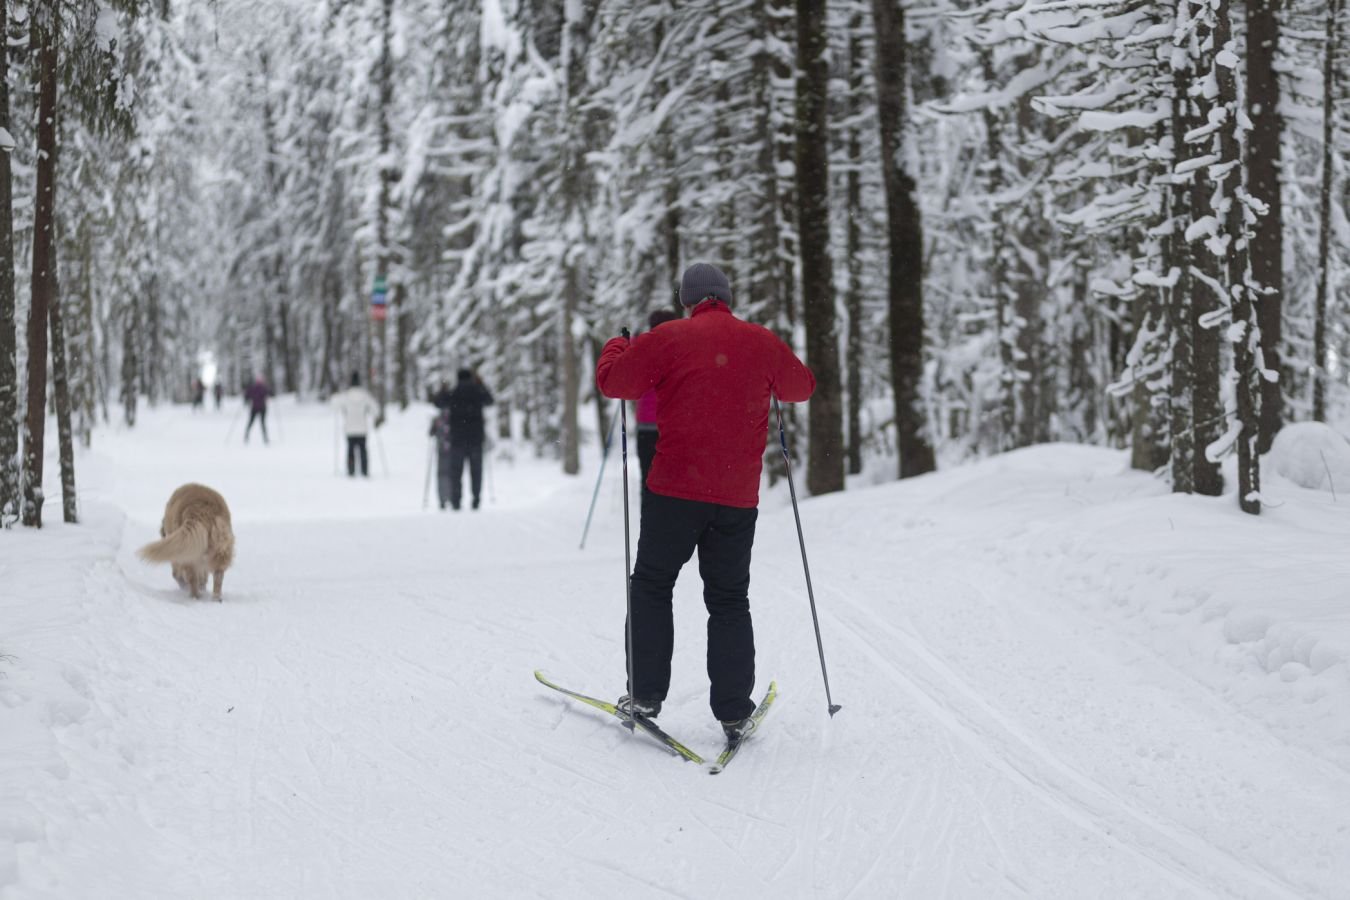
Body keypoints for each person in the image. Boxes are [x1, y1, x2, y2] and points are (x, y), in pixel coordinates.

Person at [595, 262, 815, 739]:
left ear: (685, 300)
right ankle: (734, 709)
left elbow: (615, 383)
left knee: (653, 584)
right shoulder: (759, 340)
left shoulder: (668, 338)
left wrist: (619, 343)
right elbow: (801, 387)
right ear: (727, 298)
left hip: (674, 490)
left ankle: (646, 695)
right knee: (729, 597)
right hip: (737, 496)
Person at [635, 308, 682, 494]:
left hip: (647, 426)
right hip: (673, 426)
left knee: (648, 477)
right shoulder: (681, 347)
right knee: (676, 479)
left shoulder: (642, 346)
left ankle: (648, 515)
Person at [435, 368, 494, 510]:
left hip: (457, 439)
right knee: (476, 472)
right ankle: (476, 499)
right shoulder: (477, 391)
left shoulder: (454, 392)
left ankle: (456, 501)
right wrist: (481, 385)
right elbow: (490, 400)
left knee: (456, 472)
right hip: (475, 439)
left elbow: (439, 403)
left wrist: (443, 388)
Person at [333, 371, 378, 477]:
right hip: (362, 428)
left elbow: (334, 407)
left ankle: (351, 470)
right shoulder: (365, 395)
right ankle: (364, 470)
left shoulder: (346, 395)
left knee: (350, 450)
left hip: (350, 428)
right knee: (363, 450)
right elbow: (375, 409)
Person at [243, 376, 271, 444]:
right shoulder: (263, 388)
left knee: (253, 422)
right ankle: (265, 437)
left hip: (258, 407)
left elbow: (247, 395)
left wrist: (246, 400)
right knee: (261, 423)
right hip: (260, 407)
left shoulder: (254, 388)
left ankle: (247, 435)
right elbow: (271, 393)